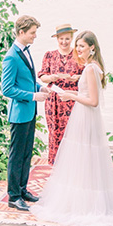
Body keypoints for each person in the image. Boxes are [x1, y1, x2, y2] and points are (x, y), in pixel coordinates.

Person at [31, 30, 113, 226]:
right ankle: (82, 200)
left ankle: (85, 205)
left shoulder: (91, 69)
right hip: (84, 116)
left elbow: (93, 101)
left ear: (92, 47)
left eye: (82, 46)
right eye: (77, 46)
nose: (78, 49)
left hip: (86, 116)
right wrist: (71, 94)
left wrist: (71, 95)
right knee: (83, 159)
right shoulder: (93, 67)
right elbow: (88, 96)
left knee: (83, 157)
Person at [1, 14, 50, 212]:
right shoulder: (11, 57)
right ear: (21, 32)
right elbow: (7, 89)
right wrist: (32, 96)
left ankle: (22, 190)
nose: (35, 36)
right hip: (19, 113)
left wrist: (39, 87)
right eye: (32, 33)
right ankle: (13, 196)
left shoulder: (25, 51)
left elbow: (28, 78)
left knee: (27, 154)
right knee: (16, 155)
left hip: (29, 111)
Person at [38, 23, 83, 164]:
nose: (64, 42)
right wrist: (52, 77)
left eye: (67, 39)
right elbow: (42, 76)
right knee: (54, 131)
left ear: (72, 38)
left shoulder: (78, 55)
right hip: (54, 100)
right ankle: (56, 163)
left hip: (72, 98)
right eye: (61, 39)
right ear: (57, 39)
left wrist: (77, 78)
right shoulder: (50, 55)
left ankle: (73, 162)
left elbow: (88, 75)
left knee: (73, 131)